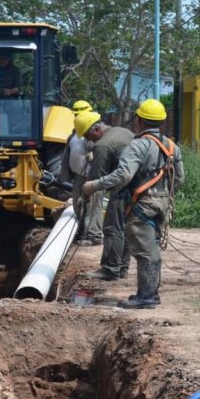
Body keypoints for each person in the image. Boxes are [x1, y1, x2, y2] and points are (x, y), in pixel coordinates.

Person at [82, 99, 184, 309]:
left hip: (141, 205)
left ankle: (146, 297)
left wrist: (94, 185)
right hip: (162, 204)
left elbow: (123, 175)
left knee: (145, 252)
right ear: (162, 121)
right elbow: (180, 178)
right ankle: (150, 293)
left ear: (138, 120)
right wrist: (162, 194)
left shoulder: (138, 145)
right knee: (151, 247)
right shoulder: (172, 146)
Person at [74, 111, 135, 281]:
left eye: (87, 136)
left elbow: (96, 179)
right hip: (140, 188)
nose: (88, 140)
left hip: (122, 189)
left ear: (96, 130)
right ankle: (122, 267)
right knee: (125, 228)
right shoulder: (124, 132)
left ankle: (109, 269)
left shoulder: (102, 145)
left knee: (112, 228)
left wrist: (84, 196)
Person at [69, 100, 103, 246]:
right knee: (78, 204)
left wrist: (92, 154)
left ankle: (94, 236)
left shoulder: (94, 131)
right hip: (78, 175)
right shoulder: (75, 132)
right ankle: (81, 232)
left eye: (79, 114)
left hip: (92, 176)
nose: (77, 117)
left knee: (93, 205)